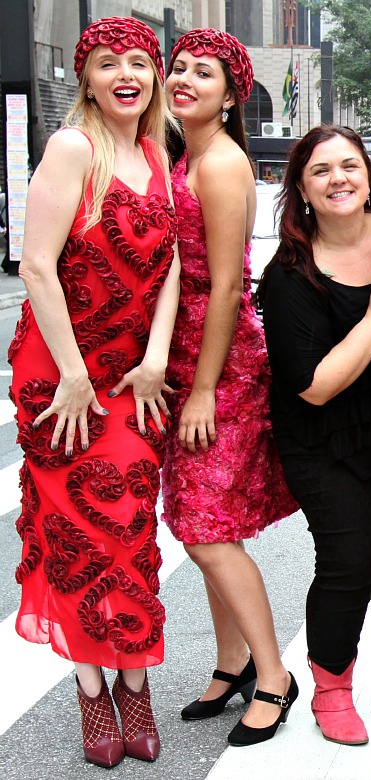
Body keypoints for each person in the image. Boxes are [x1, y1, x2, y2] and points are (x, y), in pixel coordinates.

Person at [9, 17, 179, 767]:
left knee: (132, 529)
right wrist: (76, 375)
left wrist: (157, 358)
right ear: (85, 77)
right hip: (64, 379)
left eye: (138, 61)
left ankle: (134, 680)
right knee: (79, 536)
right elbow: (36, 266)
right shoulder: (72, 146)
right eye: (108, 62)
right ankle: (90, 687)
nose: (125, 73)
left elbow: (172, 265)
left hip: (133, 376)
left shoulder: (152, 151)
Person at [258, 125, 371, 747]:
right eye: (321, 170)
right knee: (349, 558)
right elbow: (315, 386)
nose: (339, 180)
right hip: (322, 436)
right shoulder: (290, 274)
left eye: (350, 166)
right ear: (301, 188)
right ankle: (330, 689)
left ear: (370, 174)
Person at [161, 29, 300, 745]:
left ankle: (274, 676)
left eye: (203, 73)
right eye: (178, 68)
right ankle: (232, 660)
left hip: (220, 365)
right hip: (187, 359)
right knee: (201, 523)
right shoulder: (189, 156)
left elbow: (224, 288)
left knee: (210, 529)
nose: (184, 79)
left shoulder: (218, 164)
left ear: (232, 91)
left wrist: (205, 387)